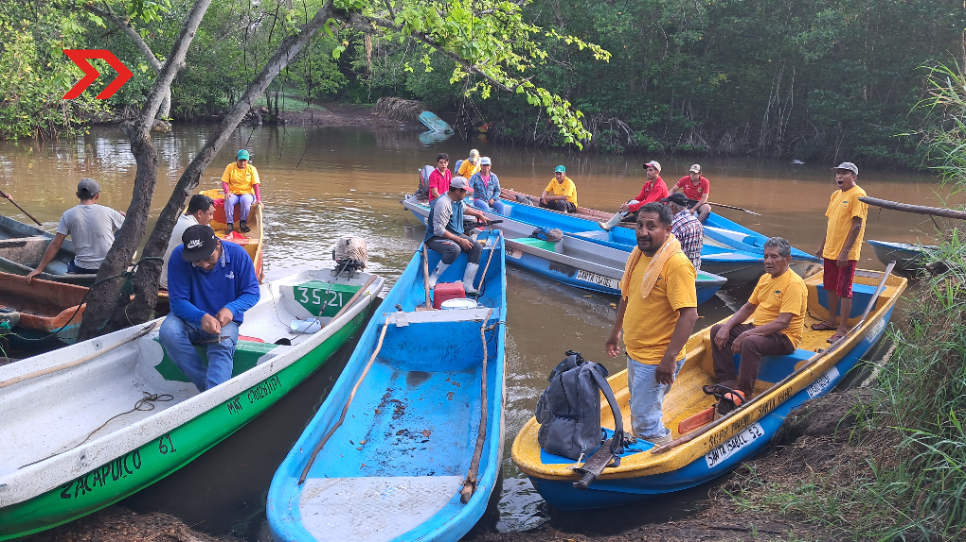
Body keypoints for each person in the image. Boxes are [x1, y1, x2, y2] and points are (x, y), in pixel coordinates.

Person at [605, 202, 699, 445]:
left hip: (658, 356)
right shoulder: (638, 257)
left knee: (645, 423)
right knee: (641, 406)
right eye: (639, 225)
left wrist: (669, 359)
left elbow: (689, 315)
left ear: (667, 230)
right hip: (636, 351)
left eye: (651, 226)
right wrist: (616, 332)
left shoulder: (675, 264)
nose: (643, 232)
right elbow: (627, 295)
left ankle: (659, 456)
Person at [160, 225, 260, 392]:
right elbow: (177, 302)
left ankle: (214, 396)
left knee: (223, 345)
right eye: (196, 260)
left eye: (208, 257)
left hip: (224, 321)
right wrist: (201, 317)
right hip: (190, 317)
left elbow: (252, 293)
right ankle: (207, 390)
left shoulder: (238, 255)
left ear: (218, 245)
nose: (203, 264)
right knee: (168, 332)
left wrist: (231, 308)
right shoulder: (179, 257)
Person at [709, 237, 807, 404]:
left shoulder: (793, 284)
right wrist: (727, 327)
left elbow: (783, 322)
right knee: (718, 330)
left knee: (750, 342)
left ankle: (745, 393)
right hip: (760, 328)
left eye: (774, 257)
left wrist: (747, 333)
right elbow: (748, 307)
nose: (768, 261)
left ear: (787, 259)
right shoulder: (765, 278)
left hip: (784, 337)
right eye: (766, 256)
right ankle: (726, 380)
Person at [26, 178, 125, 283]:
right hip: (109, 266)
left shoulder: (68, 215)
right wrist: (125, 218)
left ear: (77, 195)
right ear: (97, 196)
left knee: (72, 263)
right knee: (123, 229)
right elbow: (130, 229)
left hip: (82, 269)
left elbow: (56, 244)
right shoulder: (109, 212)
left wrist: (39, 269)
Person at [813, 162, 868, 343]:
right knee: (830, 287)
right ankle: (830, 320)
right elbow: (832, 224)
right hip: (830, 251)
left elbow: (857, 226)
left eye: (844, 173)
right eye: (838, 173)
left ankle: (842, 329)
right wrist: (822, 247)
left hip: (846, 254)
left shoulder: (858, 195)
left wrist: (845, 252)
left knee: (844, 291)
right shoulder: (836, 195)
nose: (840, 176)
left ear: (854, 177)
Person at [425, 177, 491, 294]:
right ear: (457, 191)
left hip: (455, 234)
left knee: (476, 247)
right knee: (454, 249)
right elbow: (438, 230)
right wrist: (459, 240)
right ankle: (433, 278)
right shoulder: (443, 204)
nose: (466, 193)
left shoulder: (458, 200)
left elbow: (464, 208)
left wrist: (479, 215)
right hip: (435, 238)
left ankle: (467, 284)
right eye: (465, 191)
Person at [160, 194, 216, 289]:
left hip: (162, 276)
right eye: (210, 214)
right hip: (171, 282)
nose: (212, 218)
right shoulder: (192, 229)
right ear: (199, 213)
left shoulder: (178, 218)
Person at [599, 160, 668, 230]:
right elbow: (638, 198)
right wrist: (625, 206)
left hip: (657, 216)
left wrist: (629, 207)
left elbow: (647, 203)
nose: (648, 172)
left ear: (657, 171)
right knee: (623, 220)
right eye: (647, 170)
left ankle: (608, 225)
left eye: (650, 170)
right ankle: (611, 224)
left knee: (632, 203)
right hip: (649, 211)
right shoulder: (647, 185)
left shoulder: (659, 186)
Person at [220, 149, 262, 233]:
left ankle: (243, 222)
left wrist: (259, 200)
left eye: (244, 160)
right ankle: (230, 224)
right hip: (233, 193)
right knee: (228, 200)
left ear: (247, 160)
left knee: (245, 200)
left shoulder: (252, 169)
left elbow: (255, 185)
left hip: (248, 193)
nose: (242, 163)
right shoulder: (230, 167)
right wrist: (226, 192)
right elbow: (224, 182)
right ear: (236, 159)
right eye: (240, 160)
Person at [662, 192, 703, 270]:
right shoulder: (697, 221)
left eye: (667, 205)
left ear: (673, 207)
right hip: (695, 267)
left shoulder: (674, 225)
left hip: (678, 269)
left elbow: (665, 250)